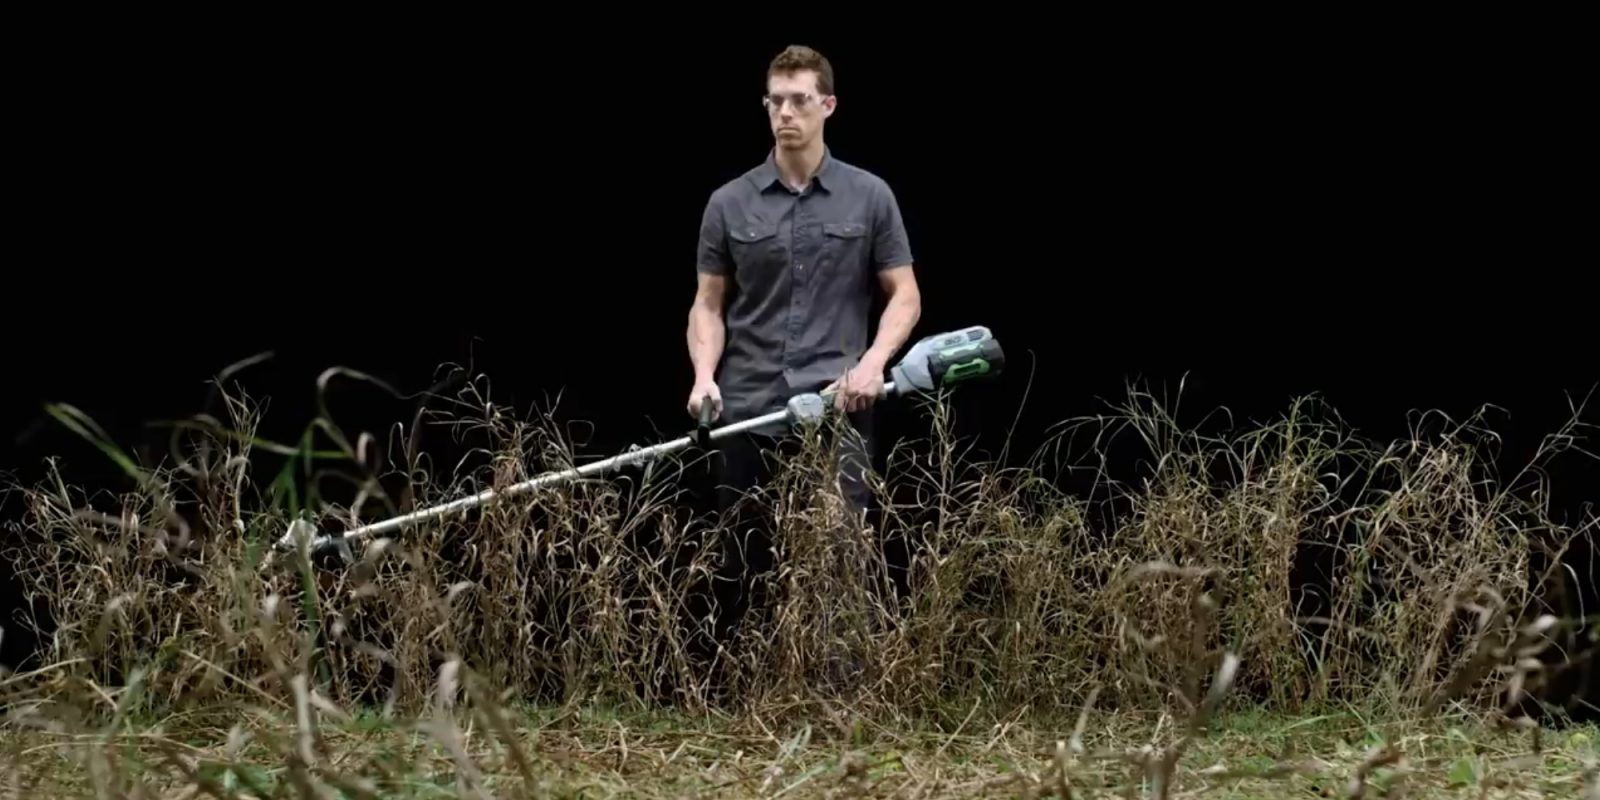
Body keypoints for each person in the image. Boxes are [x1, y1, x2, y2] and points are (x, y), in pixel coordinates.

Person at [684, 44, 922, 649]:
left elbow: (905, 297)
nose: (785, 113)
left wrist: (872, 365)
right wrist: (704, 375)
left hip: (840, 405)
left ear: (828, 105)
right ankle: (745, 699)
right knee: (741, 558)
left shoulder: (869, 196)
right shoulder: (728, 203)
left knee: (841, 556)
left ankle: (843, 707)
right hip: (747, 406)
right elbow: (708, 305)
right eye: (775, 101)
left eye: (799, 100)